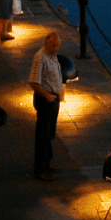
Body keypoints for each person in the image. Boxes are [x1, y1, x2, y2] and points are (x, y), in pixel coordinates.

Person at [30, 32, 65, 181]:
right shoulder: (40, 58)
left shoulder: (51, 55)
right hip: (46, 99)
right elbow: (33, 82)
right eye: (53, 45)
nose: (56, 48)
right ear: (46, 43)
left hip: (53, 98)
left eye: (57, 46)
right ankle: (41, 169)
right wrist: (47, 96)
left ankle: (47, 162)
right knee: (43, 134)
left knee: (50, 132)